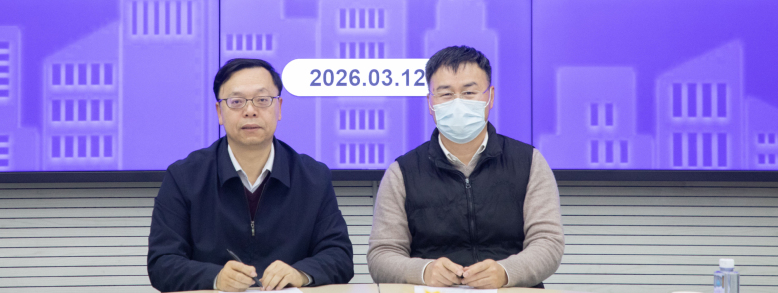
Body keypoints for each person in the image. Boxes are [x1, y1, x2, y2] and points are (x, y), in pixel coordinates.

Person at [148, 58, 355, 292]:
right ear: (219, 112)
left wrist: (300, 273)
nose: (250, 111)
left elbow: (339, 256)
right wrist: (215, 277)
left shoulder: (313, 177)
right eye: (236, 102)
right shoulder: (184, 177)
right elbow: (162, 263)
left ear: (279, 108)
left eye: (262, 100)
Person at [367, 45, 564, 289]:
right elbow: (381, 255)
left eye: (469, 92)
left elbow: (548, 242)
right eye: (446, 94)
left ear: (490, 97)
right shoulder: (402, 172)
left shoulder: (529, 162)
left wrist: (506, 272)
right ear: (430, 102)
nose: (458, 103)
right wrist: (423, 271)